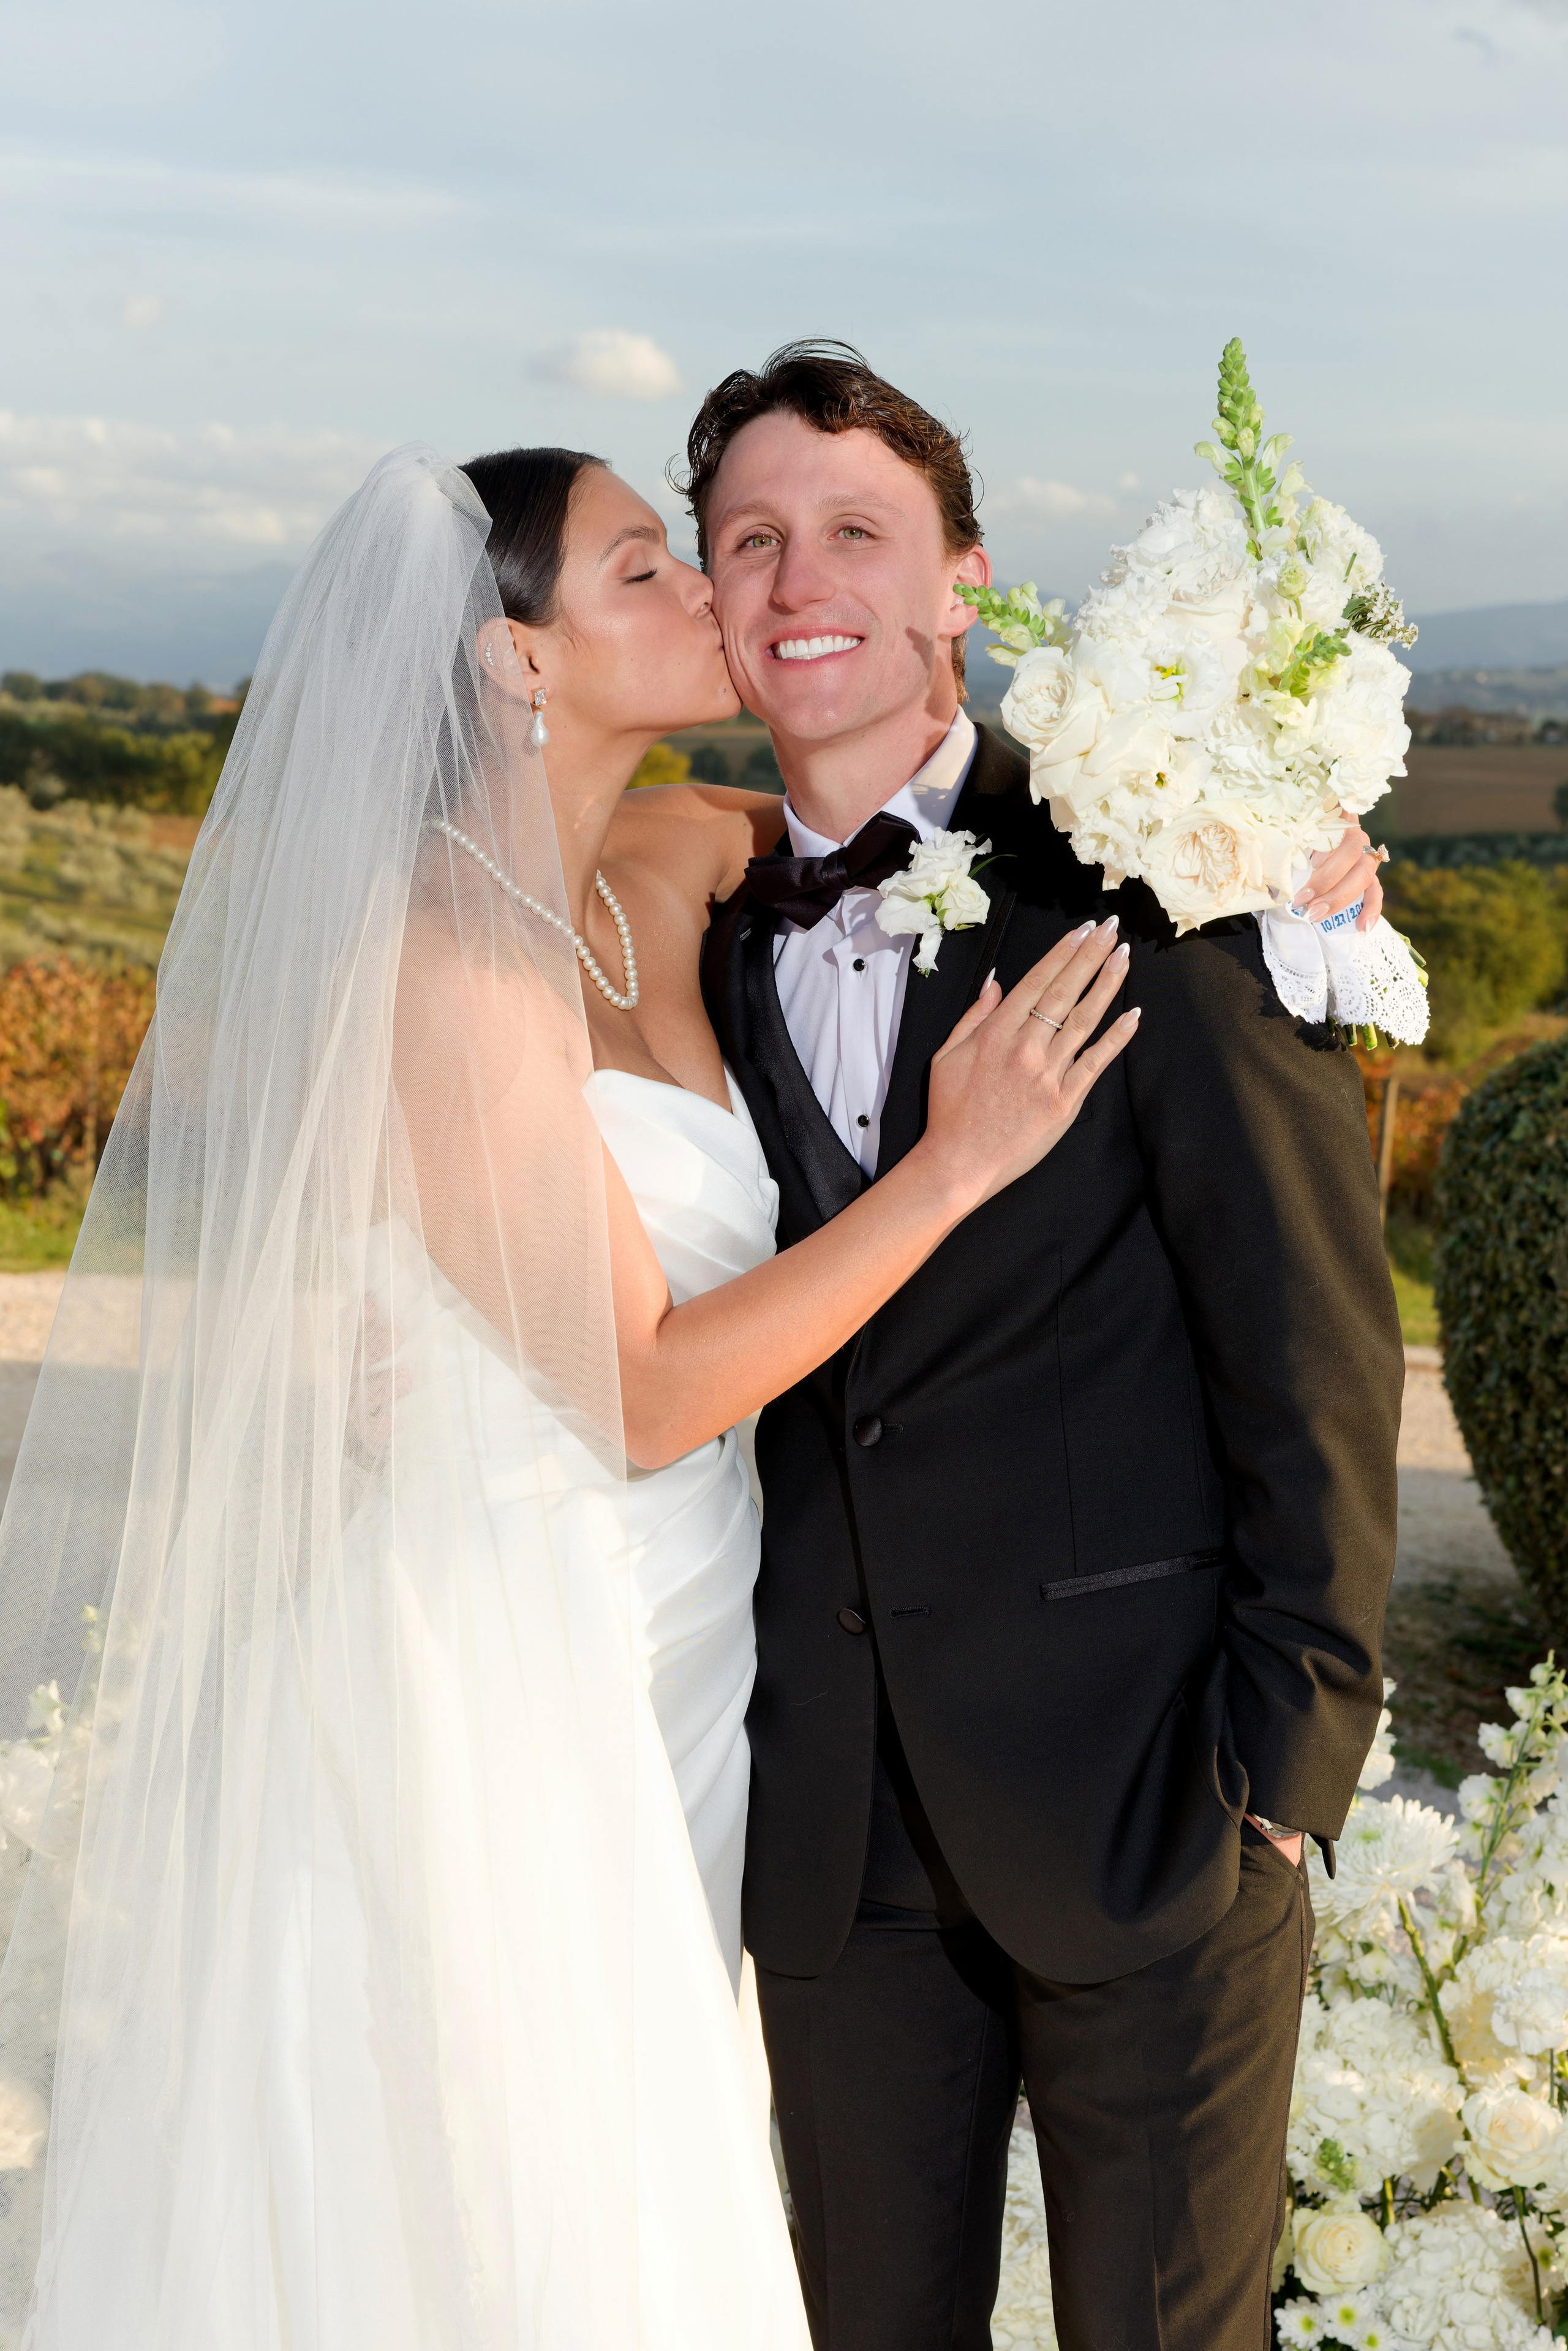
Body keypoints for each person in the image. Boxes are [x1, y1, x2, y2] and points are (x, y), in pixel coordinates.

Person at [0, 443, 1136, 2350]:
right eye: (644, 570)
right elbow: (637, 1393)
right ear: (517, 663)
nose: (710, 590)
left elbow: (933, 819)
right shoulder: (443, 964)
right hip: (501, 1651)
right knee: (517, 2198)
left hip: (685, 1644)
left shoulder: (679, 854)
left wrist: (1286, 857)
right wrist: (958, 1167)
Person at [622, 341, 1401, 2351]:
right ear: (711, 599)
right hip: (834, 1838)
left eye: (858, 532)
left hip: (1158, 1804)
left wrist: (1287, 1767)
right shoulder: (691, 931)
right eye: (753, 540)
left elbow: (1313, 1334)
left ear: (963, 578)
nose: (805, 578)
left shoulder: (1167, 870)